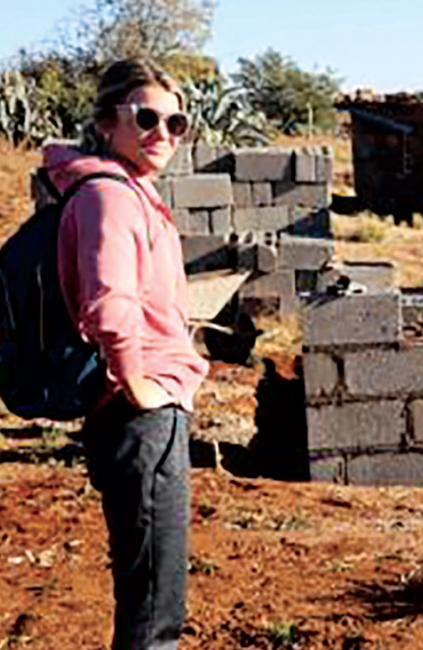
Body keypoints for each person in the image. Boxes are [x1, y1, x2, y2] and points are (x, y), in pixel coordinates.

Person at [44, 58, 208, 649]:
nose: (162, 133)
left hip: (147, 409)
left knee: (151, 592)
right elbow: (108, 302)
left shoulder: (126, 190)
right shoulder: (110, 198)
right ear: (107, 123)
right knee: (154, 610)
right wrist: (138, 382)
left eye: (176, 122)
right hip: (141, 412)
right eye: (145, 118)